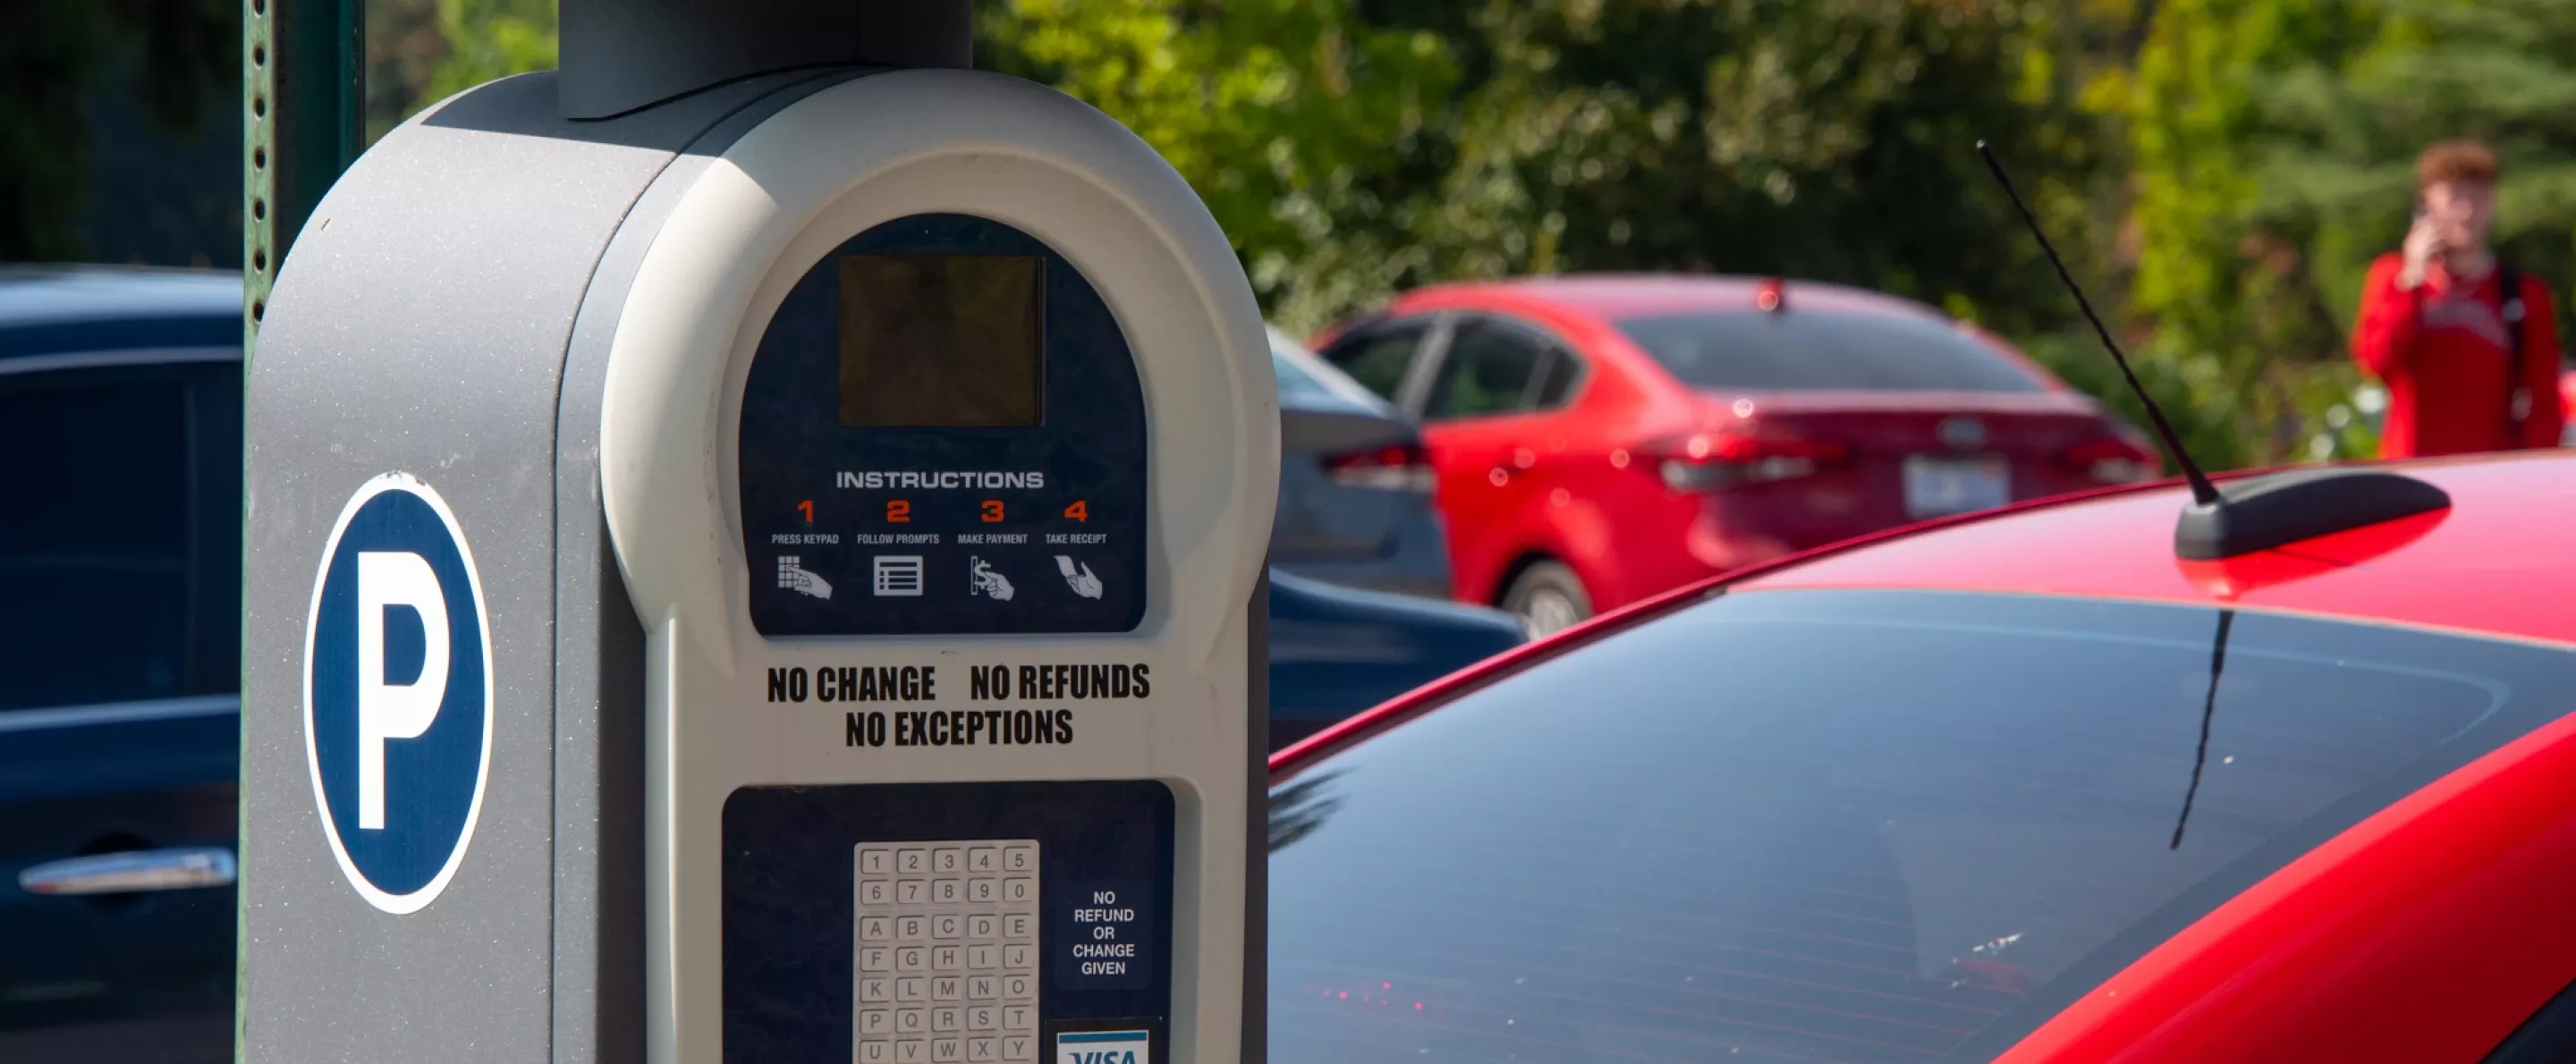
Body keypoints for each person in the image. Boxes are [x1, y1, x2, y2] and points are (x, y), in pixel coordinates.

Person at [2351, 139, 2564, 457]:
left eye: (2477, 197)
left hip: (2490, 471)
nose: (2466, 211)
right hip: (2411, 468)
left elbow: (2544, 399)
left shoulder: (2523, 295)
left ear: (2493, 203)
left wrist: (2529, 468)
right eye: (2454, 197)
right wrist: (2412, 279)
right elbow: (2376, 361)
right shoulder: (2393, 278)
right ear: (2426, 205)